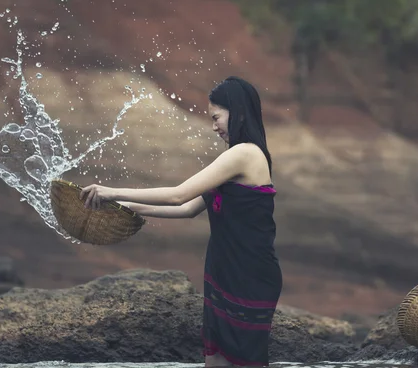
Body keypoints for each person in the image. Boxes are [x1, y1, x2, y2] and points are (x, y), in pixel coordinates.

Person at [80, 76, 283, 367]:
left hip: (249, 274)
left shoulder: (245, 154)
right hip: (225, 271)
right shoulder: (235, 158)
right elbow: (187, 208)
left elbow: (178, 195)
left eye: (216, 117)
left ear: (237, 112)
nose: (214, 126)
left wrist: (111, 190)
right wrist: (126, 206)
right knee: (214, 361)